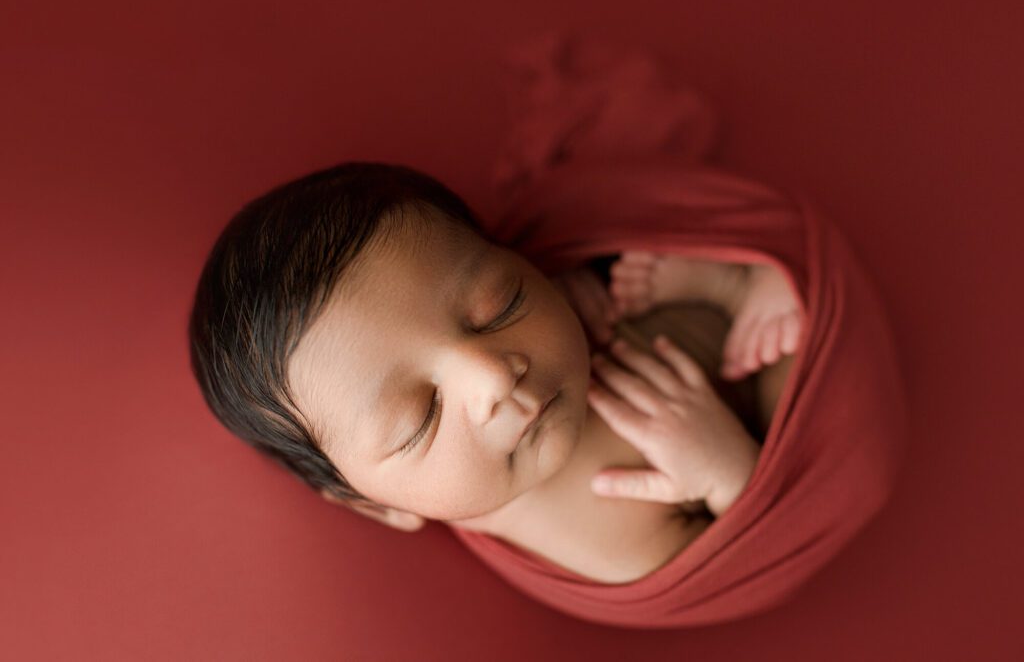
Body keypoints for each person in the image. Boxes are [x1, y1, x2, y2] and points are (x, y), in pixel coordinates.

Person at [188, 161, 803, 584]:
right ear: (377, 506)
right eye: (420, 418)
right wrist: (730, 474)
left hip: (668, 308)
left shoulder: (553, 300)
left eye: (499, 303)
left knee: (639, 275)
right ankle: (749, 289)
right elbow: (761, 563)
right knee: (790, 370)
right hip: (757, 409)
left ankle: (730, 277)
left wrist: (577, 282)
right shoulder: (611, 547)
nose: (492, 375)